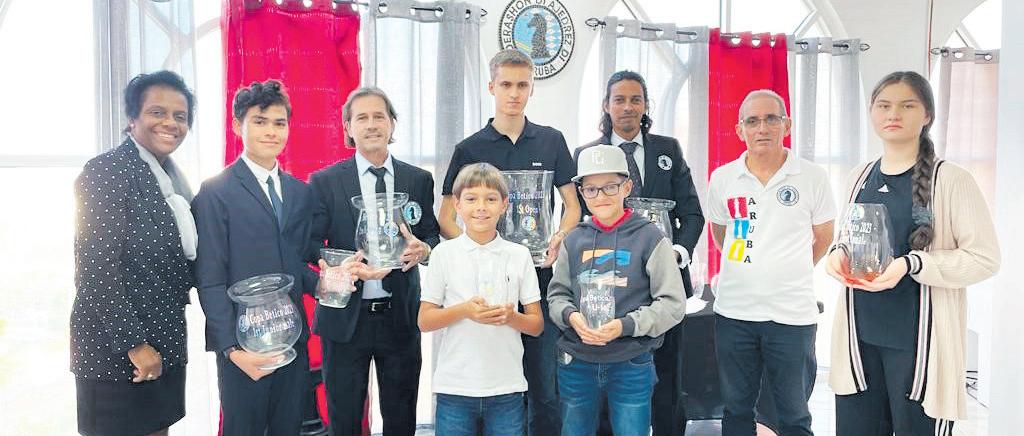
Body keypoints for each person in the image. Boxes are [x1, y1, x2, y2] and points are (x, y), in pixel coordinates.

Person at [826, 71, 1000, 436]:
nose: (893, 114)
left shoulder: (951, 180)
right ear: (871, 112)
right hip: (860, 343)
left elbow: (984, 258)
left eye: (907, 106)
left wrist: (912, 264)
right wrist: (837, 253)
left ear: (927, 115)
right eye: (883, 105)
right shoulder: (859, 176)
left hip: (920, 350)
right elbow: (850, 237)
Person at [438, 48, 580, 436]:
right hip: (484, 285)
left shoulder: (551, 141)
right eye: (506, 85)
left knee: (544, 385)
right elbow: (446, 218)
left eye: (522, 85)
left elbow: (572, 207)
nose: (514, 93)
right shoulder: (470, 148)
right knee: (490, 384)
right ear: (491, 87)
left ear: (532, 88)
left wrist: (560, 237)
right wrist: (480, 251)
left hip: (540, 278)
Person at [193, 80, 326, 435]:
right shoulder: (215, 192)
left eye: (279, 123)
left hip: (291, 341)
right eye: (260, 121)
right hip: (243, 346)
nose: (271, 131)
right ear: (238, 126)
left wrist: (325, 284)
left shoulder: (300, 192)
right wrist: (231, 350)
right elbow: (209, 277)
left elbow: (294, 263)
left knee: (289, 428)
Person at [577, 70, 704, 436]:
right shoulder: (586, 154)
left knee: (667, 376)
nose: (628, 107)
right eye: (619, 99)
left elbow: (692, 214)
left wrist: (676, 253)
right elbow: (581, 220)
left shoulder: (668, 150)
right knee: (608, 376)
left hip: (664, 284)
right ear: (606, 105)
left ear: (646, 105)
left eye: (636, 99)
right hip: (608, 283)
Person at [71, 70, 197, 436]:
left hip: (164, 343)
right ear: (132, 118)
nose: (170, 123)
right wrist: (135, 345)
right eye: (157, 112)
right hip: (115, 353)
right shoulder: (106, 171)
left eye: (180, 116)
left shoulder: (172, 179)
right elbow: (96, 270)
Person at [308, 86, 440, 436]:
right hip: (344, 319)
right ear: (348, 128)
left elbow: (432, 235)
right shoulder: (324, 182)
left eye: (379, 116)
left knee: (401, 418)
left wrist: (424, 250)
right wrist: (343, 267)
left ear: (392, 124)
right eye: (362, 118)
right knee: (345, 421)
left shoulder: (418, 179)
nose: (371, 124)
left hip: (400, 318)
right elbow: (310, 245)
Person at [706, 89, 835, 436]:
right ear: (740, 130)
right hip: (735, 313)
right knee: (736, 411)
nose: (762, 128)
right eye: (752, 121)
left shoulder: (812, 176)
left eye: (770, 119)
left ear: (786, 125)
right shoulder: (723, 178)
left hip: (792, 315)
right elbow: (721, 236)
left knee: (794, 415)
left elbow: (824, 237)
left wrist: (788, 267)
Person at [548, 144, 686, 436]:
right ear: (581, 193)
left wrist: (626, 325)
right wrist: (571, 316)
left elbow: (672, 304)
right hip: (577, 362)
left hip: (631, 362)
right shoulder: (574, 240)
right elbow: (557, 296)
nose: (601, 196)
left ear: (627, 187)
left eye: (610, 187)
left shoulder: (651, 238)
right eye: (591, 189)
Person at [419, 163, 545, 436]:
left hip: (507, 388)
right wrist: (465, 310)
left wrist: (511, 317)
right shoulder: (443, 254)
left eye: (490, 199)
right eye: (471, 199)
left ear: (504, 204)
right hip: (455, 388)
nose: (481, 207)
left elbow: (536, 325)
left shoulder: (519, 255)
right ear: (457, 204)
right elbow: (425, 321)